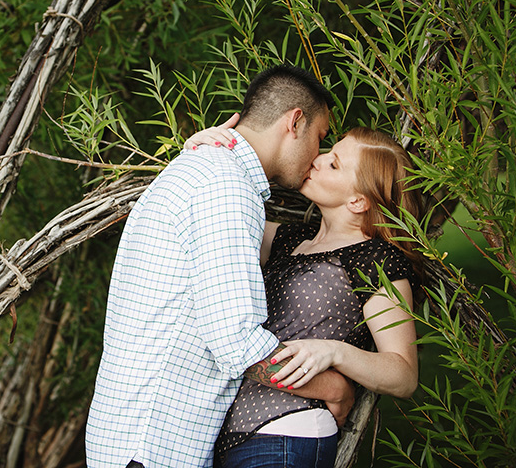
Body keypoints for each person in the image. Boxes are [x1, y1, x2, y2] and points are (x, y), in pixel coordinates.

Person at [85, 65, 356, 468]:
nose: (317, 157)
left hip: (132, 439)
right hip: (153, 447)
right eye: (319, 139)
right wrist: (334, 387)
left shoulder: (201, 169)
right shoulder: (226, 186)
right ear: (294, 122)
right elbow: (237, 344)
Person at [184, 118, 422, 468]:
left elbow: (403, 375)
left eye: (334, 164)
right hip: (222, 437)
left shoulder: (376, 260)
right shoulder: (291, 239)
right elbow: (216, 212)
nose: (318, 158)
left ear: (358, 201)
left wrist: (335, 353)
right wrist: (203, 151)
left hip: (288, 435)